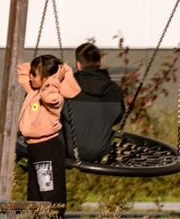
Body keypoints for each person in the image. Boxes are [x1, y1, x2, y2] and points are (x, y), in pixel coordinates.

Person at [17, 54, 81, 217]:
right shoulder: (34, 91)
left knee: (50, 194)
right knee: (35, 195)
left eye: (34, 74)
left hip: (47, 150)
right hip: (35, 149)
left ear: (46, 78)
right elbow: (21, 70)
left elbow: (48, 96)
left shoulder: (54, 96)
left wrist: (55, 78)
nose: (30, 77)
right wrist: (38, 66)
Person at [62, 41, 126, 163]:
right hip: (101, 151)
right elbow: (118, 118)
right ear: (99, 63)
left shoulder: (68, 86)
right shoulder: (113, 89)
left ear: (79, 65)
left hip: (68, 149)